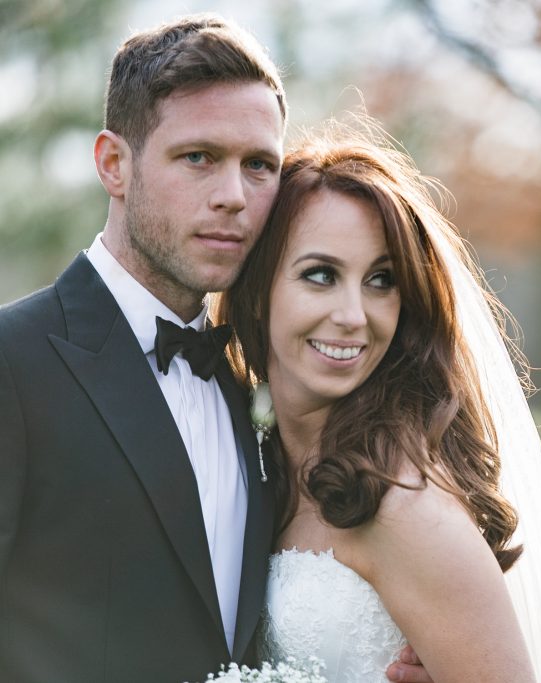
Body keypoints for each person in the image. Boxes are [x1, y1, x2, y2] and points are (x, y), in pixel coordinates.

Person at [0, 14, 429, 683]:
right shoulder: (13, 364)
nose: (234, 196)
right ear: (114, 163)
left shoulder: (263, 380)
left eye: (259, 165)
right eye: (198, 157)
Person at [216, 119, 541, 682]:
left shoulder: (404, 505)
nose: (353, 315)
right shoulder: (260, 466)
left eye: (381, 281)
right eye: (321, 275)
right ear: (259, 290)